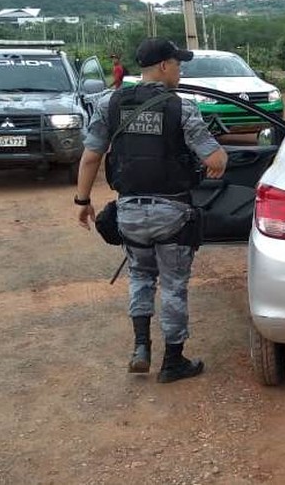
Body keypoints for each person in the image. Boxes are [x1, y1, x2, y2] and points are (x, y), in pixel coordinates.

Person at [75, 38, 228, 383]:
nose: (180, 69)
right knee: (173, 285)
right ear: (163, 66)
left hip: (129, 212)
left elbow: (90, 156)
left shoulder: (109, 104)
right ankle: (173, 361)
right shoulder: (182, 108)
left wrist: (82, 202)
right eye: (177, 63)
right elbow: (215, 158)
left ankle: (140, 348)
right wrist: (220, 161)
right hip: (172, 213)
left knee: (141, 277)